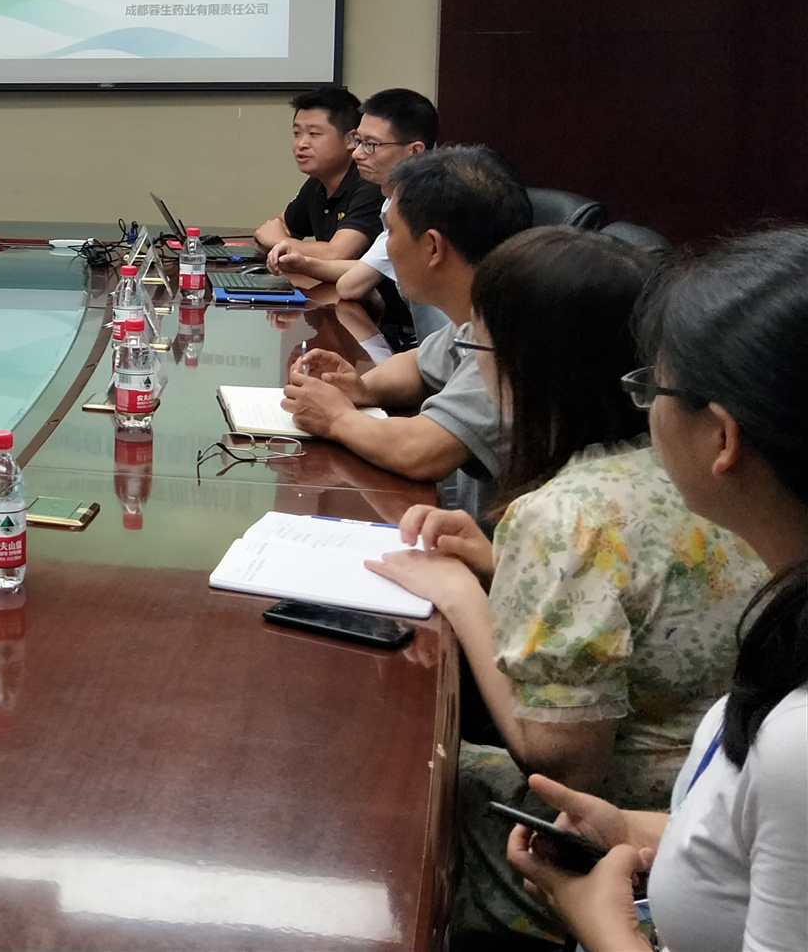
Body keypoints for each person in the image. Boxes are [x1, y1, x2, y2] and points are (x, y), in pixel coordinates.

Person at [365, 227, 768, 941]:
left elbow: (562, 762)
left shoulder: (568, 515)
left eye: (477, 346)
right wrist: (499, 566)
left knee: (395, 770)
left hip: (622, 843)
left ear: (529, 366)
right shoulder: (720, 476)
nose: (469, 363)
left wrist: (462, 596)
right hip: (726, 805)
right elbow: (659, 606)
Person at [495, 230, 808, 952]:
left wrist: (595, 920)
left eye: (653, 389)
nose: (643, 410)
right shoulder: (788, 614)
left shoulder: (797, 738)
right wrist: (637, 830)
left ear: (722, 438)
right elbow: (759, 838)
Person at [281, 145, 531, 503]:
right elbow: (419, 364)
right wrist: (360, 389)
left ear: (433, 248)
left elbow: (420, 452)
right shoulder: (486, 310)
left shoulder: (513, 339)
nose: (386, 248)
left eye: (390, 232)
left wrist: (336, 418)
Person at [273, 87, 446, 352]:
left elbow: (351, 284)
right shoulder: (395, 200)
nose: (356, 153)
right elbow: (363, 270)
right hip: (428, 350)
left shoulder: (424, 208)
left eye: (371, 145)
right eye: (358, 140)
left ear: (414, 152)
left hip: (452, 354)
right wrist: (304, 263)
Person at [253, 85, 382, 268]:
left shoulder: (370, 184)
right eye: (297, 133)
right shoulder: (317, 183)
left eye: (314, 134)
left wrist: (278, 242)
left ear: (351, 140)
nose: (301, 144)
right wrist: (276, 239)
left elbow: (337, 254)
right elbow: (278, 225)